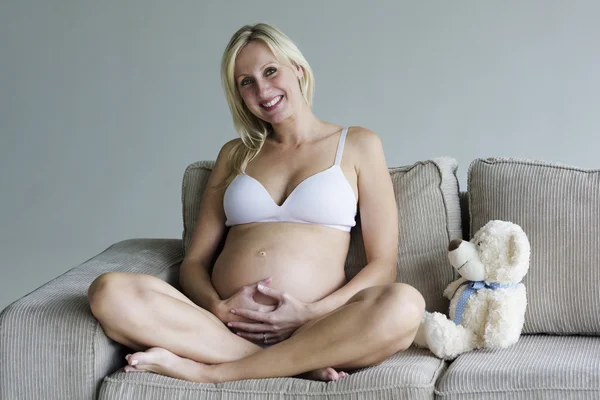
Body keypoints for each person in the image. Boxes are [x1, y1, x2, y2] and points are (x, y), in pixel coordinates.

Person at [87, 22, 425, 383]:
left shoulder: (358, 144)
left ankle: (209, 373)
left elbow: (383, 265)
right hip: (222, 328)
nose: (262, 90)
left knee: (404, 305)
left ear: (297, 69)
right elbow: (195, 261)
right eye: (246, 82)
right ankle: (295, 365)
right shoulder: (235, 154)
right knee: (108, 291)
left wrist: (310, 313)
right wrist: (218, 307)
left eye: (270, 71)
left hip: (319, 327)